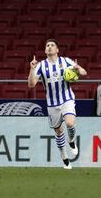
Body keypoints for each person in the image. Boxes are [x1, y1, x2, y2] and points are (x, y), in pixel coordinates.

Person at [28, 38, 87, 169]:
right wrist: (31, 69)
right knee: (59, 131)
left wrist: (77, 69)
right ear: (45, 50)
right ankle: (64, 158)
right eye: (47, 45)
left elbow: (84, 72)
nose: (49, 47)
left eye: (52, 45)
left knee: (70, 123)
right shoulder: (41, 65)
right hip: (52, 103)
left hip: (67, 98)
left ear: (57, 50)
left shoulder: (65, 61)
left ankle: (71, 141)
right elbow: (31, 85)